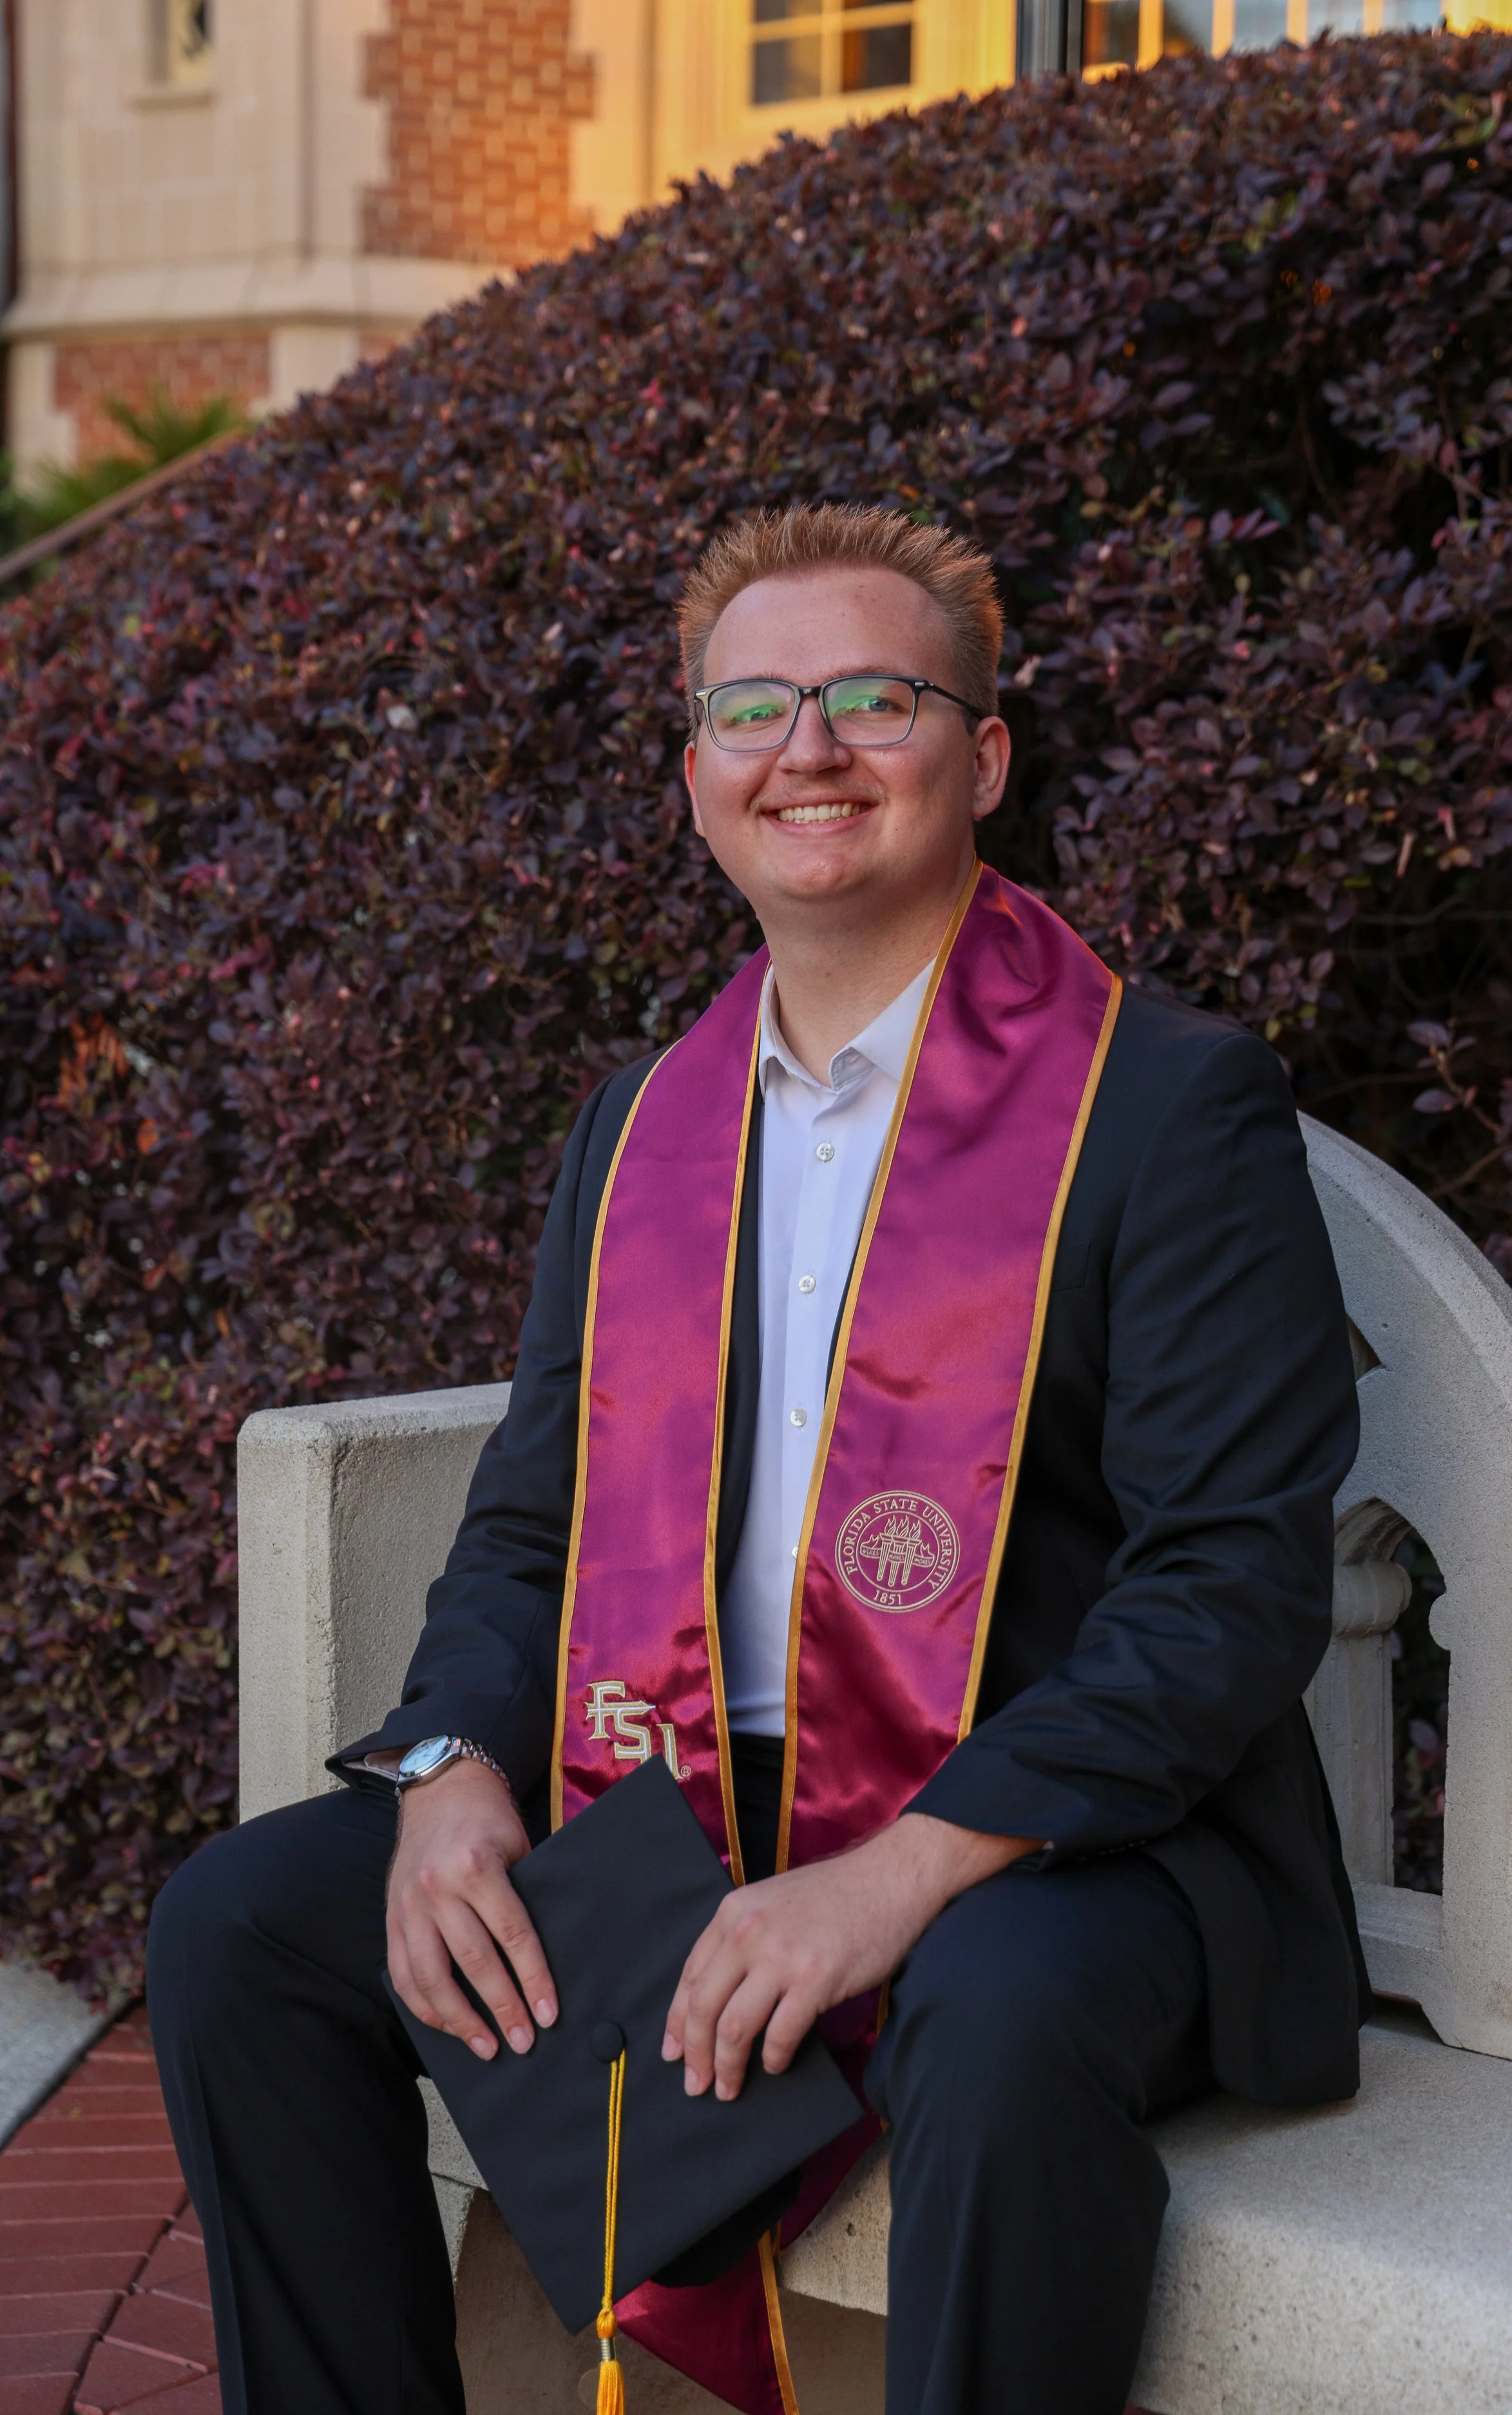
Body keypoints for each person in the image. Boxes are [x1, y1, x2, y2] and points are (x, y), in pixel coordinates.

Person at [148, 503, 1366, 2415]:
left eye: (872, 696)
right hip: (691, 1785)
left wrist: (897, 1872)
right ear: (697, 776)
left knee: (999, 2003)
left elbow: (1229, 1582)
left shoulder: (1163, 1102)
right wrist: (450, 1767)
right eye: (751, 708)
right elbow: (532, 1520)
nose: (808, 747)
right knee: (248, 1921)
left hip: (1069, 1837)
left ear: (984, 755)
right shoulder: (641, 1125)